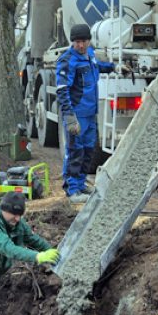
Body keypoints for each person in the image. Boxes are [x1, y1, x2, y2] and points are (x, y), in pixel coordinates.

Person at [56, 23, 129, 203]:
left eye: (84, 41)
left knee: (88, 151)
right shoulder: (67, 61)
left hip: (90, 113)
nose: (81, 45)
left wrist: (114, 67)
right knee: (75, 151)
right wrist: (70, 117)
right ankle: (72, 189)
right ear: (73, 42)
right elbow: (62, 90)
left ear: (89, 41)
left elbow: (98, 67)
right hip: (77, 114)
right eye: (77, 42)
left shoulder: (90, 54)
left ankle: (80, 184)